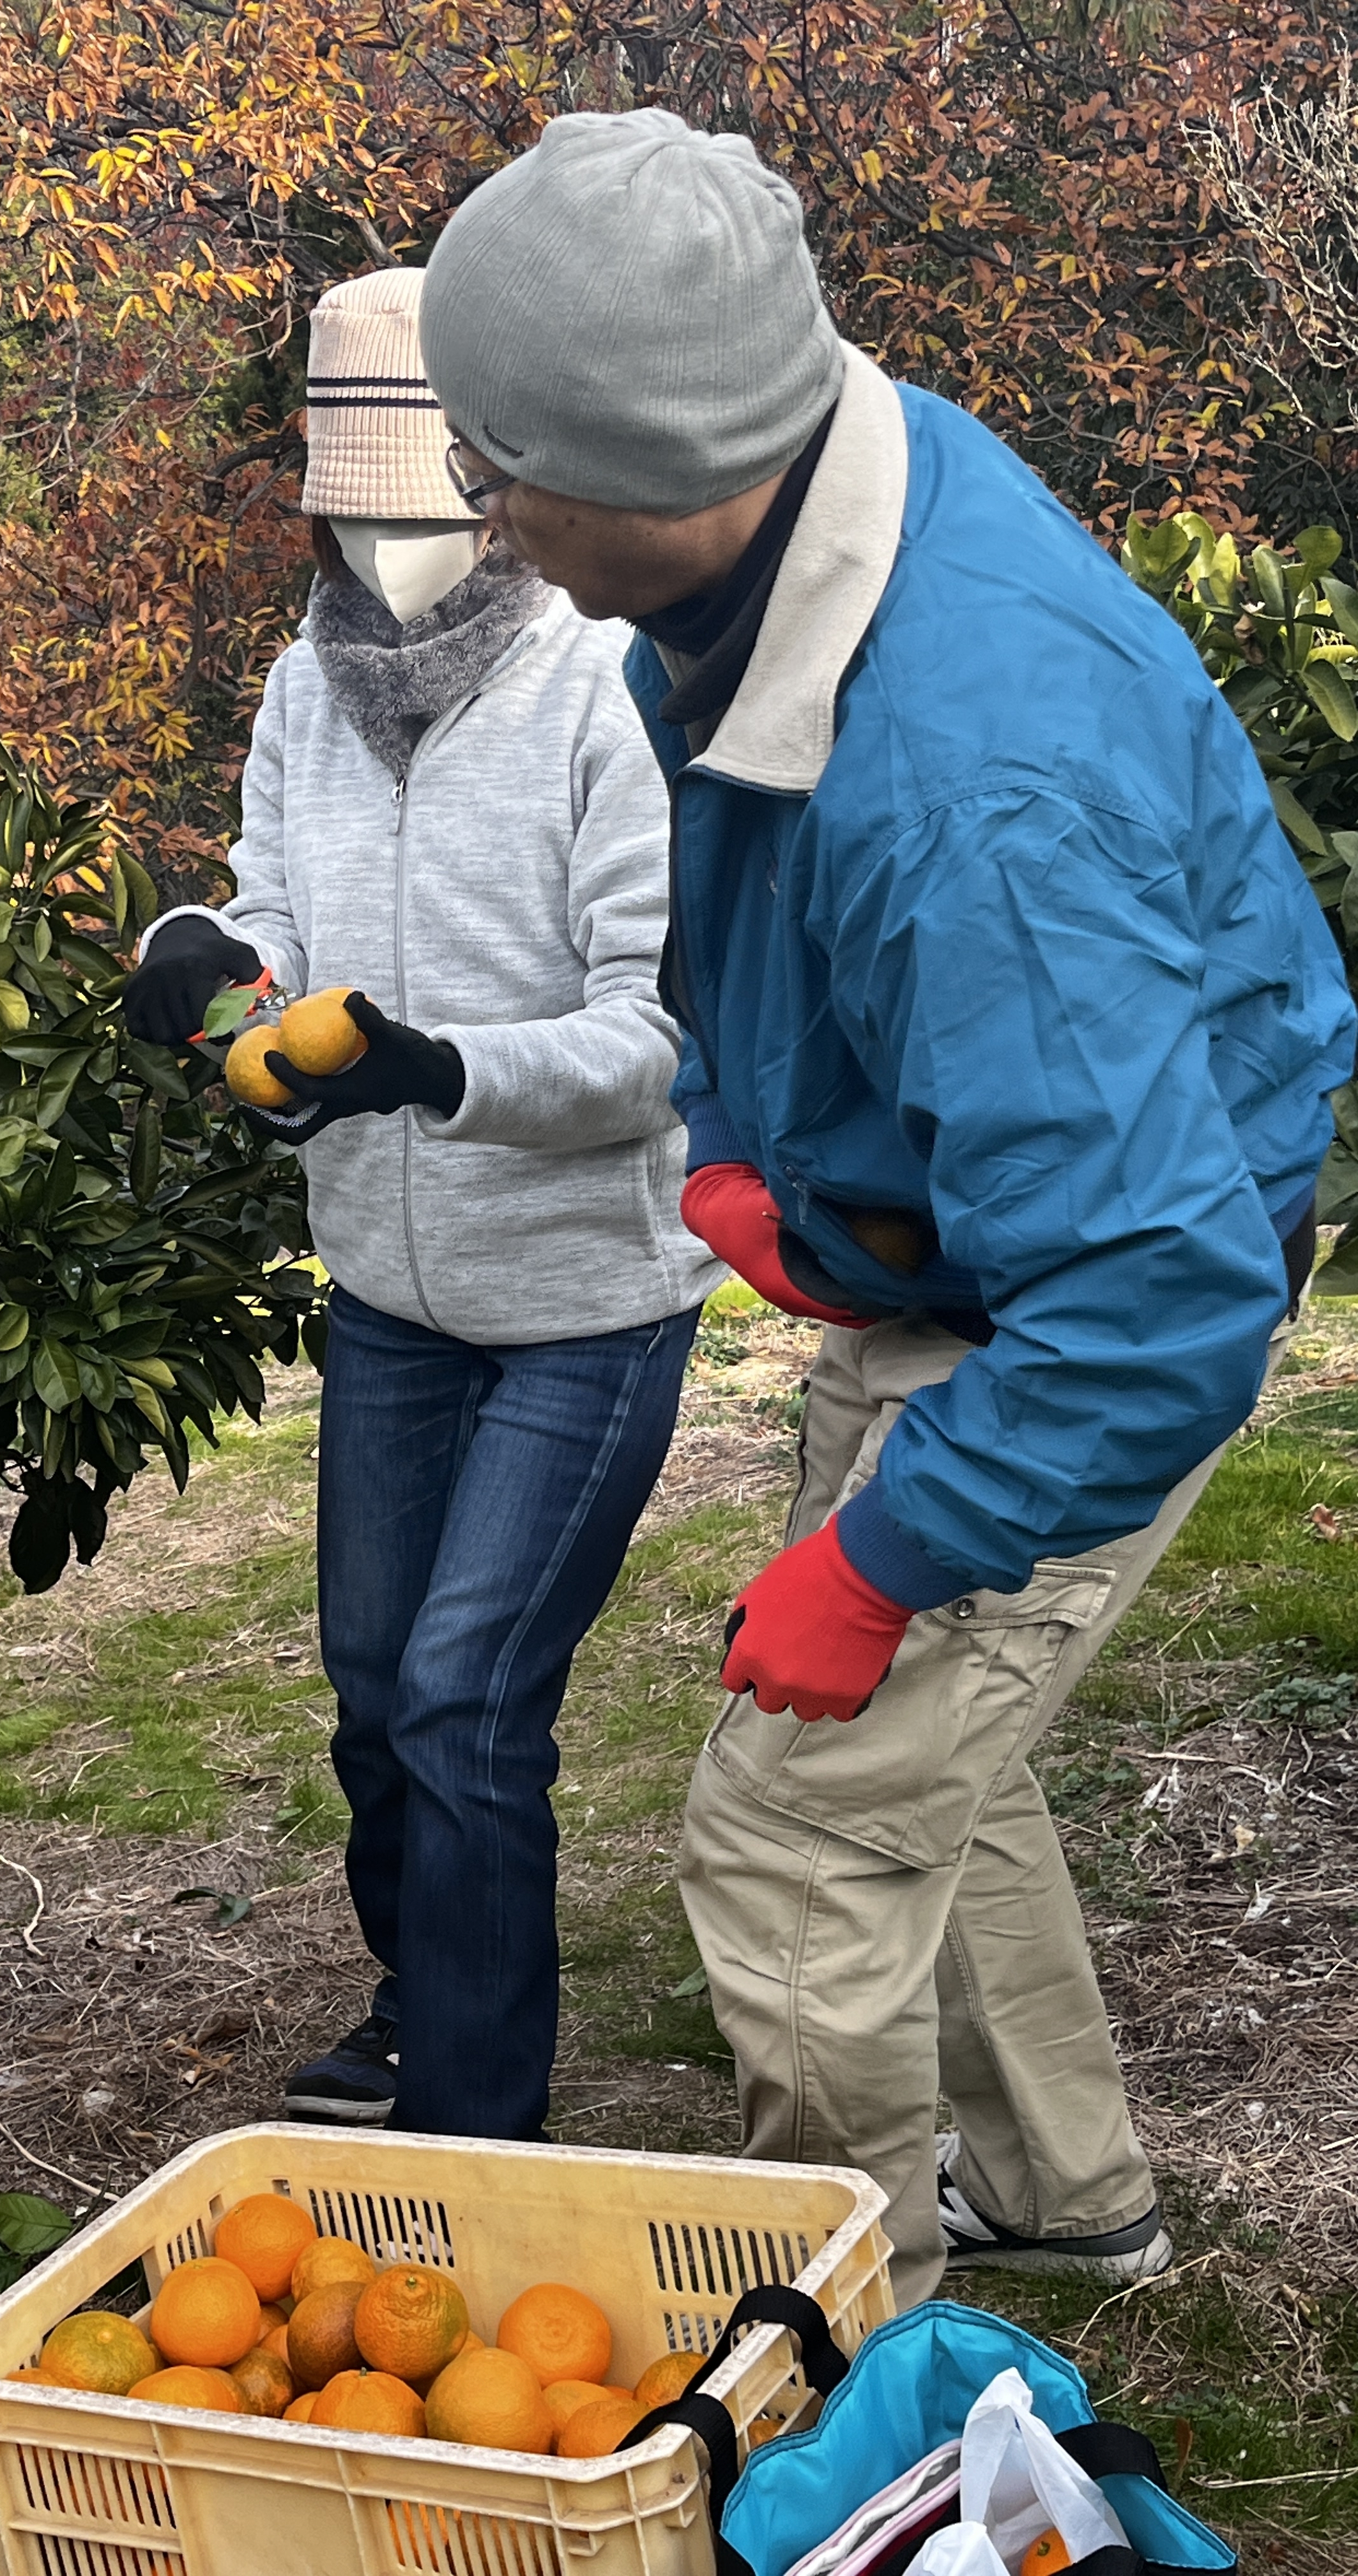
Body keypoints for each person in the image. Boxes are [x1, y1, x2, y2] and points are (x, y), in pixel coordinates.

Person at [417, 112, 1355, 2299]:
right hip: (982, 1241)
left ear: (641, 466)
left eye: (497, 471)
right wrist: (757, 1138)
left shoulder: (974, 792)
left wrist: (885, 1559)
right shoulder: (828, 468)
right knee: (936, 1770)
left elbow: (1157, 1296)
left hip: (1091, 1302)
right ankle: (1063, 2202)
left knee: (794, 1824)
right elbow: (757, 858)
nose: (485, 518)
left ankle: (861, 2371)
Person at [121, 268, 721, 2142]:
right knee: (380, 1697)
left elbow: (655, 1036)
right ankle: (421, 1998)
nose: (384, 548)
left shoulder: (601, 692)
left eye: (422, 506)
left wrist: (428, 1067)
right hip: (384, 1284)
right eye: (349, 511)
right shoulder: (310, 680)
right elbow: (272, 906)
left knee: (466, 1700)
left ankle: (475, 2129)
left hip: (586, 1300)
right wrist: (205, 958)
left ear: (494, 490)